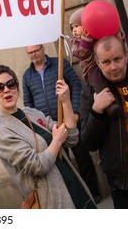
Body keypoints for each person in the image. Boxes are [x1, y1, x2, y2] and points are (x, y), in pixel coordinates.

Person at [0, 65, 96, 208]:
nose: (6, 89)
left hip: (73, 186)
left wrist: (66, 102)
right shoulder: (0, 131)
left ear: (17, 86)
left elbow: (71, 137)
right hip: (52, 200)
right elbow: (36, 166)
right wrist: (57, 140)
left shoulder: (31, 113)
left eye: (10, 83)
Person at [22, 43, 101, 203]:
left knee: (82, 158)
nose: (34, 55)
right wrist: (38, 128)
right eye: (30, 53)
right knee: (61, 165)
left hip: (69, 120)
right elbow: (28, 104)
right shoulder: (27, 76)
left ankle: (94, 194)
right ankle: (72, 200)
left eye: (36, 50)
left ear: (43, 49)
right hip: (49, 129)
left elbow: (76, 84)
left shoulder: (59, 64)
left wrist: (76, 112)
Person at [80, 35, 128, 209]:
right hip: (123, 185)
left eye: (117, 59)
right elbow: (88, 142)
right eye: (106, 62)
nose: (114, 67)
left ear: (126, 55)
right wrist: (97, 111)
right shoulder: (91, 91)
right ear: (97, 62)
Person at [69, 7, 122, 117]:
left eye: (77, 26)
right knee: (97, 81)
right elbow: (79, 53)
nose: (74, 30)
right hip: (92, 68)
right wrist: (86, 41)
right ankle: (109, 106)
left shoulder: (97, 33)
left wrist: (117, 33)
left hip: (105, 64)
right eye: (72, 27)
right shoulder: (76, 41)